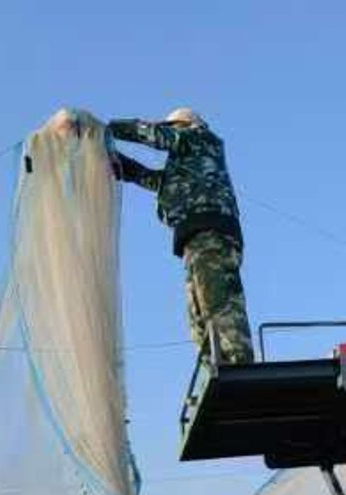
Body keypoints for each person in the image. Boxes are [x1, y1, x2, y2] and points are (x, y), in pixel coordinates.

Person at [108, 108, 253, 365]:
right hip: (195, 240)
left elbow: (155, 135)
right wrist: (118, 163)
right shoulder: (187, 164)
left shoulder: (199, 138)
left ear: (183, 125)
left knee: (218, 303)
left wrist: (108, 128)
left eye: (172, 127)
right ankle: (216, 368)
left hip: (211, 232)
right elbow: (152, 179)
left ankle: (239, 364)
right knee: (198, 316)